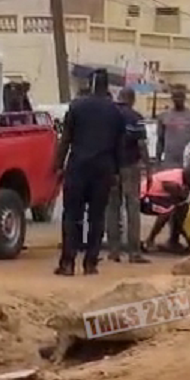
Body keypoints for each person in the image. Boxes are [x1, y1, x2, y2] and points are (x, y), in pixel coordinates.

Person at [53, 69, 124, 276]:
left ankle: (67, 263)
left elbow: (65, 138)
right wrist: (117, 172)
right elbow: (119, 146)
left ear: (91, 84)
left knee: (72, 216)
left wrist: (58, 165)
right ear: (107, 86)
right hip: (103, 169)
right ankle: (90, 263)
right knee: (97, 217)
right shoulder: (115, 111)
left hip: (78, 167)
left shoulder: (77, 106)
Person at [105, 88, 153, 264]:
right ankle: (134, 252)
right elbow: (141, 144)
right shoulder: (135, 117)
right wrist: (148, 169)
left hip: (111, 167)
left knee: (112, 208)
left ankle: (114, 251)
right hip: (130, 166)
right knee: (132, 207)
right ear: (132, 100)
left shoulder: (109, 116)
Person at [156, 87, 190, 169]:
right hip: (170, 161)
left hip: (188, 161)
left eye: (180, 97)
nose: (178, 99)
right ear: (172, 98)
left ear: (184, 98)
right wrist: (158, 159)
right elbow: (160, 140)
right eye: (175, 97)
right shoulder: (164, 116)